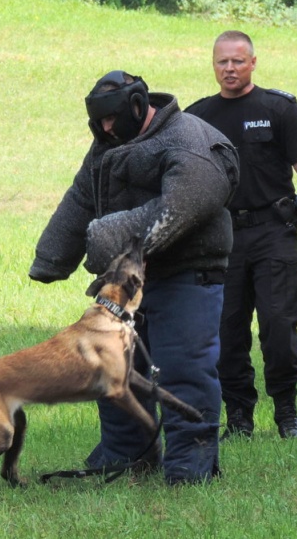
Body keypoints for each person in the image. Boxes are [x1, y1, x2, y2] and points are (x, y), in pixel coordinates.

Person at [29, 70, 239, 484]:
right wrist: (50, 258)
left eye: (111, 119)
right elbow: (81, 197)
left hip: (186, 273)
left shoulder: (189, 140)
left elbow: (183, 205)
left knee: (184, 370)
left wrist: (108, 237)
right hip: (129, 283)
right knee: (116, 368)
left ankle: (191, 467)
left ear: (138, 106)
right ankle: (126, 455)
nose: (106, 128)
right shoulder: (108, 144)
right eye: (99, 121)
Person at [186, 31, 297, 440]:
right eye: (222, 62)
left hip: (274, 231)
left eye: (237, 61)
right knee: (227, 331)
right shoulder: (198, 117)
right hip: (221, 239)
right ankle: (239, 419)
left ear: (253, 62)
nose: (229, 69)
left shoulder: (279, 108)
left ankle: (287, 414)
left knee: (279, 326)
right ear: (213, 65)